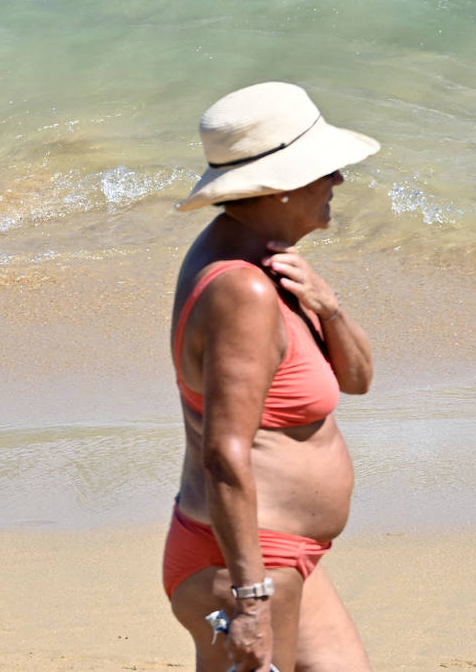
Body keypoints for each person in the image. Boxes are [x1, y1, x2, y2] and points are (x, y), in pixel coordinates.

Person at [163, 82, 380, 672]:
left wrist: (329, 307)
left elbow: (357, 380)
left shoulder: (273, 265)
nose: (338, 180)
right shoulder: (242, 289)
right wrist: (250, 600)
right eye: (325, 169)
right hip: (244, 564)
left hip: (284, 557)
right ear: (280, 187)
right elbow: (225, 455)